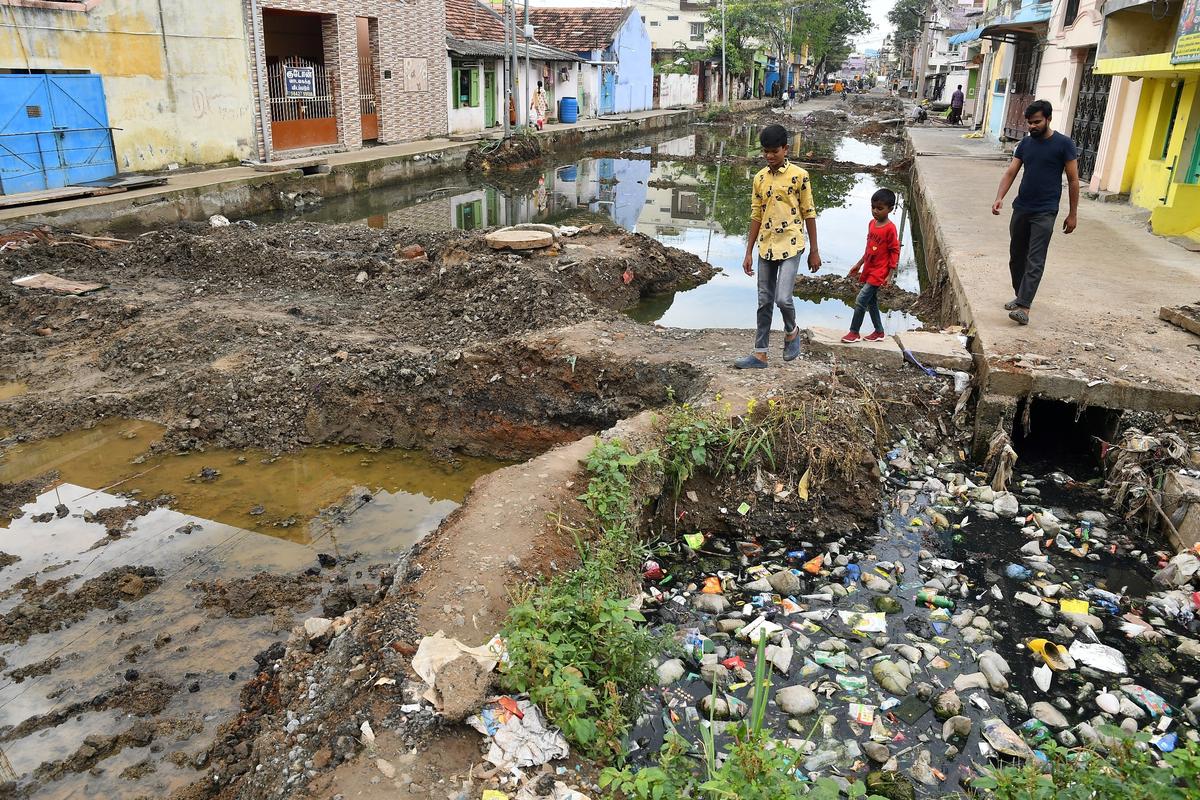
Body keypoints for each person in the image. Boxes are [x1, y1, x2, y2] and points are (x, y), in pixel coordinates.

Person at [735, 125, 821, 369]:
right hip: (766, 246)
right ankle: (760, 354)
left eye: (774, 151)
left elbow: (809, 212)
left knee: (783, 299)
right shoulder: (759, 178)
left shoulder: (800, 176)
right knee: (764, 300)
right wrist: (748, 251)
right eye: (765, 152)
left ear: (785, 148)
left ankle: (791, 331)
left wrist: (814, 250)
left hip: (792, 244)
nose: (769, 156)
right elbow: (756, 215)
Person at [991, 99, 1079, 326]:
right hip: (1022, 208)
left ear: (1048, 119)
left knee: (1035, 258)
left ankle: (1024, 307)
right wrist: (1000, 197)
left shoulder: (1063, 144)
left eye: (1037, 122)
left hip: (1046, 211)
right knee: (1016, 257)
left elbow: (1072, 179)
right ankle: (1021, 294)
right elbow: (1011, 172)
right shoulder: (1025, 144)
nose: (1032, 126)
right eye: (1029, 123)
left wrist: (1073, 213)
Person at [841, 188, 901, 343]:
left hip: (880, 271)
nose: (875, 211)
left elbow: (895, 250)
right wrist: (859, 264)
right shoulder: (871, 224)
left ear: (890, 209)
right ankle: (879, 332)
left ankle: (854, 332)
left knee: (861, 300)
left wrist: (890, 274)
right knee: (872, 301)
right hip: (869, 268)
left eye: (880, 208)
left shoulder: (890, 229)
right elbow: (869, 248)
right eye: (873, 207)